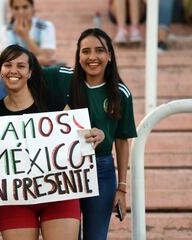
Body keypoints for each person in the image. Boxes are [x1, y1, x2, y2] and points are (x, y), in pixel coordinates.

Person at [0, 44, 90, 240]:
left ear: (30, 72)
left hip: (60, 195)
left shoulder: (52, 103)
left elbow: (79, 138)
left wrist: (94, 135)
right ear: (1, 71)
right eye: (8, 65)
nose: (14, 71)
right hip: (15, 200)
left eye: (21, 66)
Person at [68, 28, 137, 239]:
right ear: (78, 55)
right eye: (85, 51)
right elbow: (21, 67)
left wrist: (122, 189)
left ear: (109, 55)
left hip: (101, 170)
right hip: (65, 169)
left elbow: (122, 140)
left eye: (99, 50)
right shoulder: (64, 81)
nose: (92, 57)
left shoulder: (121, 93)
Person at [0, 0, 57, 99]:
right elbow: (5, 60)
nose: (21, 12)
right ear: (11, 10)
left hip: (40, 75)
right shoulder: (6, 30)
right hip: (16, 74)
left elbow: (48, 57)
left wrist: (25, 36)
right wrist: (40, 59)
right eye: (16, 8)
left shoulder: (45, 27)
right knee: (5, 77)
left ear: (32, 9)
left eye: (25, 7)